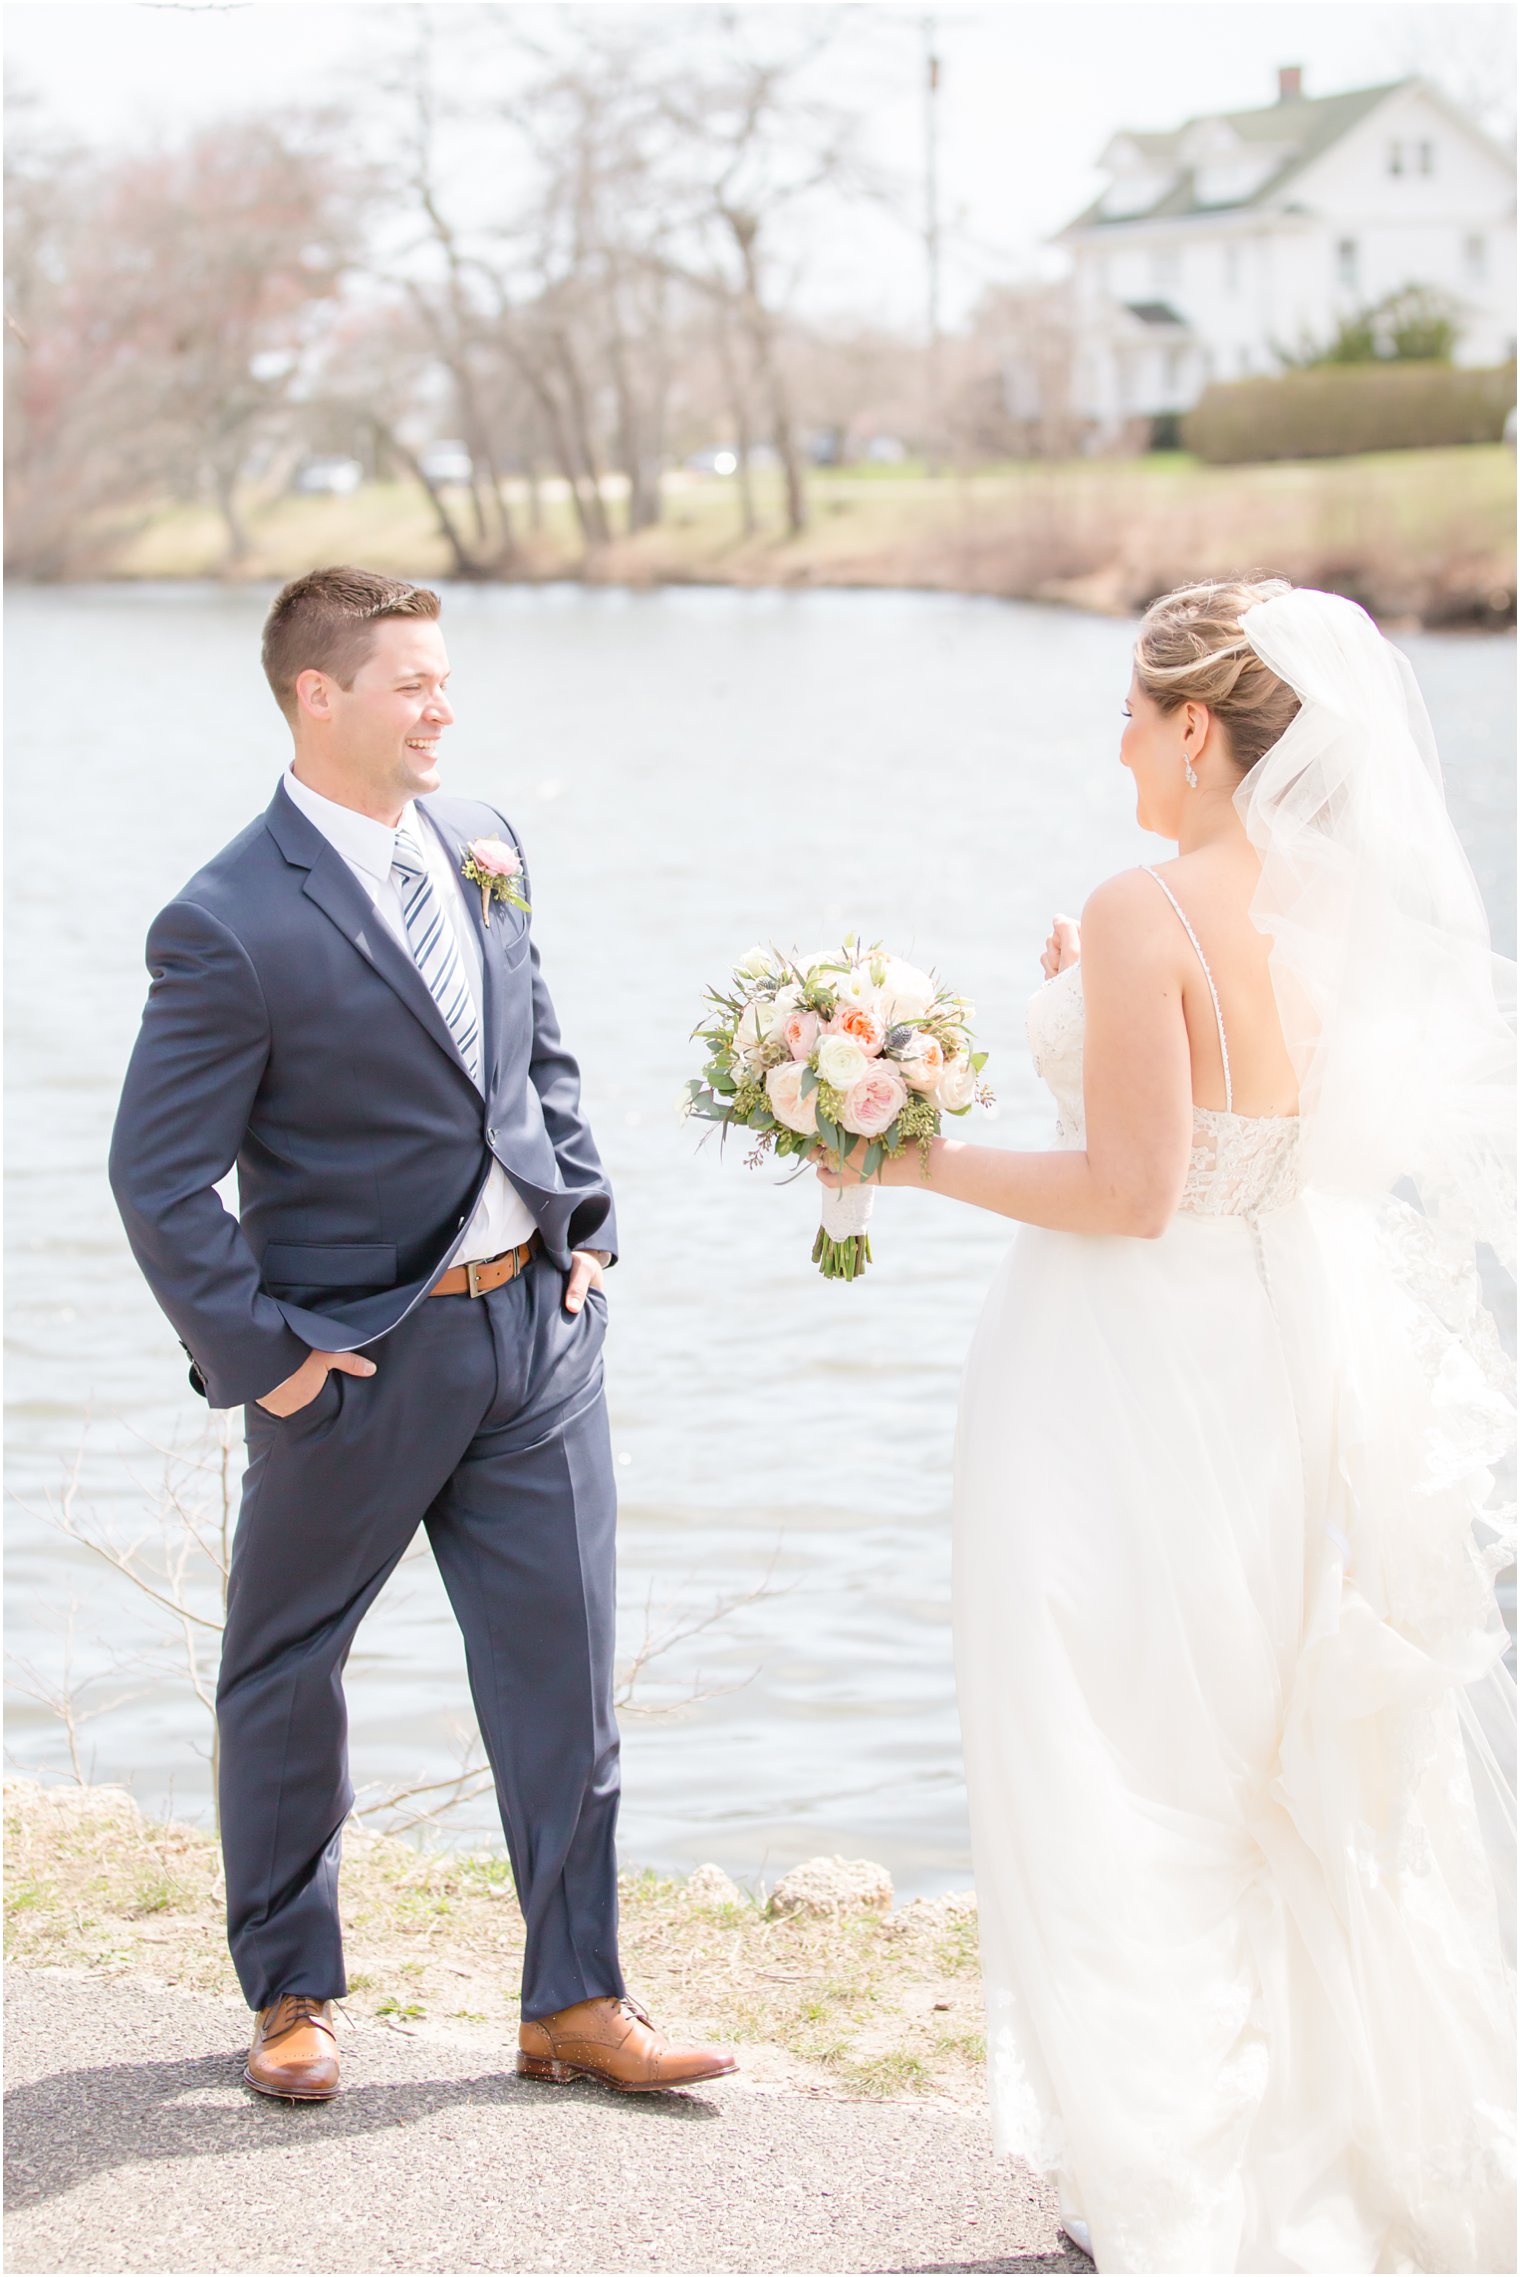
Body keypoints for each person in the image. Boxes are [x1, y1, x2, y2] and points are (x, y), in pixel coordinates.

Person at [819, 580, 1515, 2271]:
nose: (1115, 742)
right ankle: (1299, 2138)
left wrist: (904, 1161)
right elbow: (1250, 1119)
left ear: (1197, 730)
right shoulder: (1329, 896)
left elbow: (1132, 1191)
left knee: (1118, 1764)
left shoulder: (1145, 899)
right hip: (1276, 1355)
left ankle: (1174, 2180)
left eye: (1132, 714)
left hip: (1126, 1378)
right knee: (1262, 1759)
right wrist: (1093, 995)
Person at [109, 565, 735, 2103]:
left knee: (566, 1670)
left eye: (446, 678)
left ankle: (576, 1998)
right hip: (356, 1369)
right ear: (319, 697)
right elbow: (155, 1173)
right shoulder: (227, 917)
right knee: (286, 1668)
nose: (444, 703)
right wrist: (270, 1354)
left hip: (536, 1335)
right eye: (412, 681)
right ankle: (293, 1996)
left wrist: (584, 1226)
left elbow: (540, 1050)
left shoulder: (485, 844)